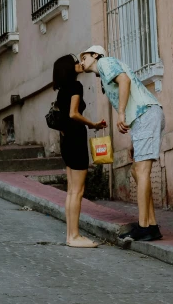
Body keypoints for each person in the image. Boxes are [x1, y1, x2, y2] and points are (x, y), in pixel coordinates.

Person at [80, 45, 164, 242]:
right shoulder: (104, 69)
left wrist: (121, 113)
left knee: (142, 171)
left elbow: (124, 80)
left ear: (95, 55)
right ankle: (151, 224)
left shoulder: (105, 62)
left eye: (84, 57)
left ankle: (145, 227)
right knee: (136, 171)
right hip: (144, 117)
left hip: (145, 114)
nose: (81, 61)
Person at [53, 53, 106, 248]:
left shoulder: (61, 90)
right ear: (69, 67)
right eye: (75, 62)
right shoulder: (76, 86)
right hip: (75, 138)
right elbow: (73, 113)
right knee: (78, 190)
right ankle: (74, 236)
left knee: (71, 191)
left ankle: (70, 235)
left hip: (66, 139)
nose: (79, 63)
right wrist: (93, 124)